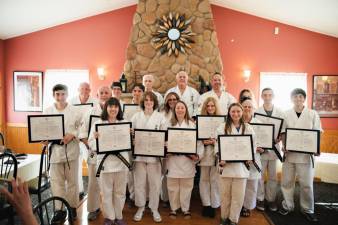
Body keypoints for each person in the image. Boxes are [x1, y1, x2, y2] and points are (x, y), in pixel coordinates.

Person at [279, 88, 322, 222]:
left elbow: (317, 132)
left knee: (306, 184)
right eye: (295, 97)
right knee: (287, 182)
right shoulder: (286, 114)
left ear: (304, 98)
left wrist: (317, 148)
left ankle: (307, 209)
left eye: (300, 97)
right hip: (290, 154)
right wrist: (284, 147)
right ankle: (288, 205)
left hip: (306, 155)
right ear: (292, 99)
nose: (298, 99)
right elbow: (283, 133)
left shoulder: (312, 114)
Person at [43, 84, 82, 223]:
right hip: (55, 152)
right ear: (53, 95)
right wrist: (44, 139)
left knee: (72, 182)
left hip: (71, 150)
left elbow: (82, 127)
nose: (60, 97)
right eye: (57, 94)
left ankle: (72, 207)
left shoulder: (75, 111)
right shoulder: (47, 111)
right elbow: (43, 129)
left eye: (63, 94)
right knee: (56, 182)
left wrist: (72, 135)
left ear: (67, 94)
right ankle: (59, 210)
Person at [88, 97, 130, 225]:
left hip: (121, 162)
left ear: (119, 108)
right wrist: (96, 140)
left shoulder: (125, 123)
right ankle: (109, 217)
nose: (113, 109)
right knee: (106, 192)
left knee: (120, 191)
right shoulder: (98, 123)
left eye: (116, 106)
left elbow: (129, 144)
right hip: (105, 162)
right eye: (110, 106)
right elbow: (90, 143)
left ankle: (118, 216)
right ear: (106, 108)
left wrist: (130, 135)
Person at [215, 103, 256, 225]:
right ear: (229, 112)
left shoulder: (248, 128)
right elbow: (217, 145)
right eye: (233, 111)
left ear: (242, 112)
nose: (236, 114)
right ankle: (224, 217)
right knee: (225, 195)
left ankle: (233, 219)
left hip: (241, 168)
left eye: (238, 111)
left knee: (238, 196)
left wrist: (250, 157)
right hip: (226, 167)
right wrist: (220, 156)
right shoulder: (222, 127)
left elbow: (253, 145)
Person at [131, 91, 166, 222]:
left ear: (155, 102)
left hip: (154, 158)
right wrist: (133, 139)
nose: (148, 102)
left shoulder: (161, 117)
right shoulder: (135, 117)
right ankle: (140, 207)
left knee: (155, 183)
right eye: (146, 100)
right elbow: (131, 135)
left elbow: (164, 136)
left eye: (151, 100)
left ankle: (154, 208)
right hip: (139, 157)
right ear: (143, 102)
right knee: (139, 183)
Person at [78, 86, 112, 220]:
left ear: (111, 95)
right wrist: (91, 145)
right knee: (93, 182)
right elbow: (82, 132)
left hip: (111, 154)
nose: (104, 95)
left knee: (110, 182)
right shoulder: (90, 111)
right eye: (101, 93)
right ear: (97, 96)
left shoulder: (115, 110)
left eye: (106, 93)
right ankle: (93, 208)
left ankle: (111, 210)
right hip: (94, 152)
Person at [165, 100, 199, 219]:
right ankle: (174, 208)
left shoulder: (191, 124)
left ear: (186, 110)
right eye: (178, 108)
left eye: (182, 108)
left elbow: (197, 142)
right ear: (174, 110)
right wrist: (166, 150)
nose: (180, 110)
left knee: (186, 186)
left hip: (187, 161)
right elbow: (164, 141)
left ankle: (185, 209)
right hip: (173, 160)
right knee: (173, 186)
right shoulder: (168, 124)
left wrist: (196, 155)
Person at [256, 88, 285, 212]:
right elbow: (254, 129)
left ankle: (271, 199)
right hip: (261, 149)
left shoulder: (280, 112)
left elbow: (282, 129)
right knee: (260, 176)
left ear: (273, 96)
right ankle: (260, 198)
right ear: (262, 96)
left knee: (273, 176)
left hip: (274, 148)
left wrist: (280, 138)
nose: (267, 97)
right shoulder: (257, 112)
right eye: (265, 95)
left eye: (270, 95)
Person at [69, 82, 98, 200]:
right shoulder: (71, 102)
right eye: (82, 89)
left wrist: (88, 139)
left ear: (90, 90)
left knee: (91, 164)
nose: (84, 91)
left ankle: (92, 193)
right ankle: (79, 190)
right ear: (78, 89)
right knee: (76, 165)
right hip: (74, 137)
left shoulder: (94, 102)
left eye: (87, 89)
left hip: (87, 139)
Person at [197, 97, 221, 218]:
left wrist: (215, 142)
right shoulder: (200, 121)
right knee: (204, 179)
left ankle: (214, 204)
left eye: (212, 106)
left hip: (216, 153)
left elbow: (224, 139)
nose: (210, 108)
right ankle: (206, 204)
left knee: (215, 180)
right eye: (208, 106)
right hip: (204, 153)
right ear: (205, 107)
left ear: (216, 107)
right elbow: (195, 137)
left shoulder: (222, 122)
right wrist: (203, 142)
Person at [240, 97, 263, 217]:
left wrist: (262, 148)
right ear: (241, 108)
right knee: (240, 183)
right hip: (239, 158)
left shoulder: (259, 124)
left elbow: (264, 142)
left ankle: (247, 206)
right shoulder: (237, 122)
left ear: (253, 109)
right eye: (245, 106)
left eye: (250, 107)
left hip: (254, 158)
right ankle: (239, 205)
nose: (247, 109)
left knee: (252, 184)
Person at [159, 92, 180, 207]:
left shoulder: (181, 111)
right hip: (163, 144)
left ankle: (175, 199)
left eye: (174, 99)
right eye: (170, 99)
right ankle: (164, 198)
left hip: (176, 146)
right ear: (166, 101)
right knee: (163, 173)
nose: (172, 101)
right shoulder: (162, 113)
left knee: (173, 172)